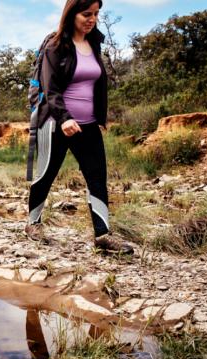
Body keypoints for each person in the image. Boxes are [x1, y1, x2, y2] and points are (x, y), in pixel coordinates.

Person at [26, 0, 133, 255]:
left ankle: (103, 235)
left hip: (87, 125)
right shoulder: (55, 46)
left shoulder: (94, 44)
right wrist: (64, 118)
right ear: (72, 14)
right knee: (45, 175)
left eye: (96, 14)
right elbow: (50, 89)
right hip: (56, 123)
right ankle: (32, 224)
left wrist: (98, 117)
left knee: (97, 178)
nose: (92, 19)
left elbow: (95, 84)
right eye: (86, 13)